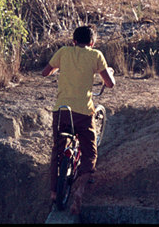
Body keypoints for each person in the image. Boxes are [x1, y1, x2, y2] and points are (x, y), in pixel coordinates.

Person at [42, 25, 115, 214]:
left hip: (62, 111)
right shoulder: (96, 55)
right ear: (92, 43)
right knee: (90, 153)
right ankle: (80, 192)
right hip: (83, 112)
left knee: (57, 150)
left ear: (73, 41)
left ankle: (53, 193)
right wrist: (110, 73)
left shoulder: (63, 52)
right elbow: (110, 84)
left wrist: (59, 69)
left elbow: (45, 72)